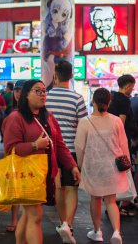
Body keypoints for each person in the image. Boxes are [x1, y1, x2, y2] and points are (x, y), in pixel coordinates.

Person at [2, 79, 80, 244]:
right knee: (36, 215)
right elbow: (11, 149)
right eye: (37, 91)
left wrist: (72, 166)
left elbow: (59, 144)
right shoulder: (15, 118)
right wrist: (34, 145)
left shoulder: (48, 117)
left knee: (29, 214)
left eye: (44, 91)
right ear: (26, 95)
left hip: (44, 175)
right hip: (26, 175)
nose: (43, 94)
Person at [75, 88, 128, 244]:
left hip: (93, 167)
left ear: (93, 101)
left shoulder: (85, 122)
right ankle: (117, 232)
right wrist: (126, 164)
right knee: (111, 201)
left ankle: (97, 232)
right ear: (109, 102)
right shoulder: (116, 121)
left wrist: (80, 165)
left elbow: (79, 147)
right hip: (112, 168)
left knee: (95, 198)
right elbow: (123, 143)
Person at [46, 61, 87, 244]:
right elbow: (83, 126)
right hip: (71, 150)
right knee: (71, 189)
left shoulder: (46, 97)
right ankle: (68, 225)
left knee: (58, 188)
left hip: (52, 151)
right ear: (71, 76)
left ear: (55, 76)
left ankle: (62, 222)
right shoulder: (77, 98)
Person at [107, 74, 137, 216]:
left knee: (115, 172)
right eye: (132, 85)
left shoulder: (112, 98)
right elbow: (121, 122)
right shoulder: (125, 101)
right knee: (124, 170)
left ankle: (112, 204)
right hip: (121, 142)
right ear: (127, 86)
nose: (133, 88)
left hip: (110, 141)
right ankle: (121, 206)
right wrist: (122, 143)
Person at [2, 79, 25, 233]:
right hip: (13, 153)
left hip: (29, 153)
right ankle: (15, 219)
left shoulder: (34, 110)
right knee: (15, 188)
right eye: (17, 90)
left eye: (22, 91)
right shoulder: (11, 110)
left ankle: (25, 220)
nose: (19, 93)